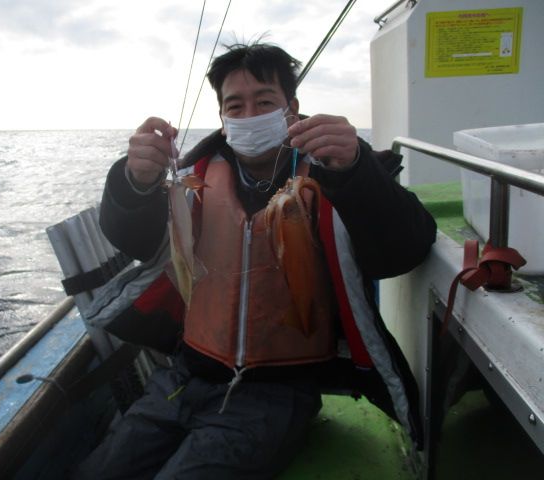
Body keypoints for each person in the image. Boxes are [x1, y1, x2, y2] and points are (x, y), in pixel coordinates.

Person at [73, 41, 436, 479]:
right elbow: (134, 238)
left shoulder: (335, 173)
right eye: (235, 106)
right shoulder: (193, 179)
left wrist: (357, 170)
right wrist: (135, 181)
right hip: (182, 377)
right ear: (222, 119)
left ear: (291, 109)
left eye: (264, 102)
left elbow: (406, 248)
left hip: (276, 392)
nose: (249, 115)